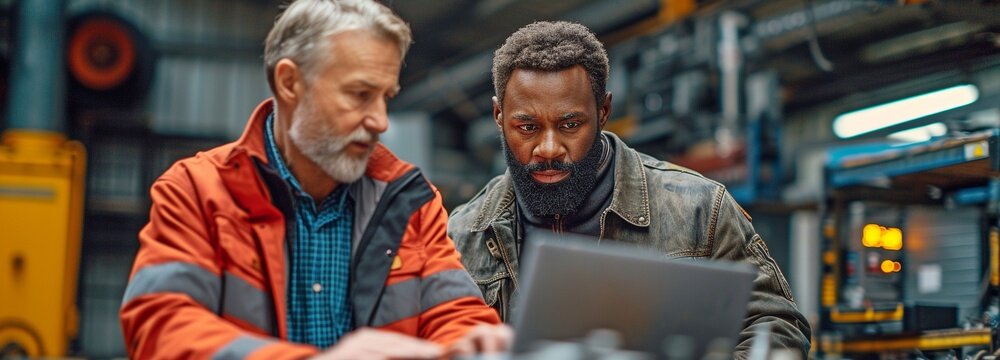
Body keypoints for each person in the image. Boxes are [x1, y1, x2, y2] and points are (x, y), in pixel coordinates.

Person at [119, 1, 510, 359]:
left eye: (385, 96)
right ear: (290, 83)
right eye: (360, 94)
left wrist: (472, 340)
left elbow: (454, 312)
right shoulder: (196, 191)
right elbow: (160, 325)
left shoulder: (409, 202)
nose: (380, 120)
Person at [448, 21, 811, 359]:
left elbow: (777, 327)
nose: (549, 148)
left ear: (603, 110)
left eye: (570, 124)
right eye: (526, 127)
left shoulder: (698, 209)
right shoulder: (463, 236)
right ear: (499, 116)